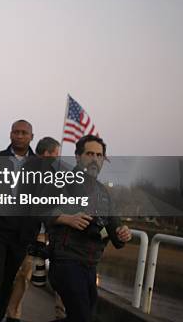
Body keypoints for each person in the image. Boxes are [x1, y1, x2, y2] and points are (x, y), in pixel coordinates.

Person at [46, 135, 131, 322]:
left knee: (83, 317)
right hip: (66, 261)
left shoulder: (104, 193)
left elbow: (116, 233)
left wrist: (123, 233)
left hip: (90, 265)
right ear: (78, 157)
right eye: (89, 153)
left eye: (99, 155)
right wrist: (66, 218)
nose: (94, 159)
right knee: (82, 317)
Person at [0, 120, 39, 322]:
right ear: (10, 134)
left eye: (24, 133)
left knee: (7, 282)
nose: (20, 136)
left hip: (22, 234)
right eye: (16, 132)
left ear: (31, 136)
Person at [5, 136, 62, 322]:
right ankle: (11, 313)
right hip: (25, 234)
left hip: (33, 235)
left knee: (22, 277)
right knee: (21, 276)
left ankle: (12, 313)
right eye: (56, 155)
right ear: (47, 154)